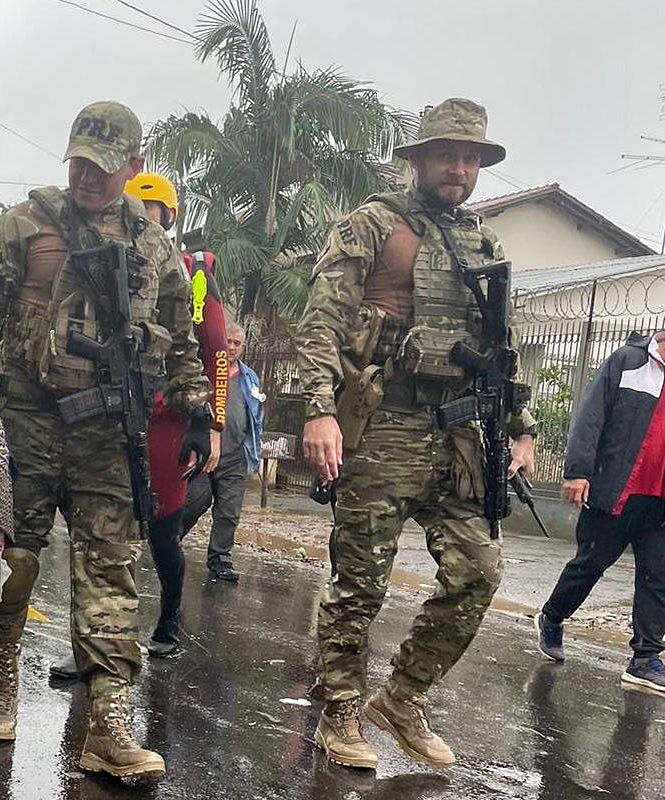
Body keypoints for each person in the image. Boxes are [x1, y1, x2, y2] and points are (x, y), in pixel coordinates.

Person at [0, 102, 212, 779]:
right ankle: (1, 683)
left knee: (110, 571)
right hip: (28, 420)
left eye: (102, 167)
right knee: (16, 561)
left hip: (107, 430)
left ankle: (107, 724)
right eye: (78, 163)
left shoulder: (155, 247)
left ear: (133, 165)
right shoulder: (24, 223)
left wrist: (199, 413)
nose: (86, 177)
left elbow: (181, 339)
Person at [294, 97, 537, 770]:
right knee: (360, 582)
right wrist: (318, 410)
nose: (458, 168)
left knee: (478, 571)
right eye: (446, 155)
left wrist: (520, 426)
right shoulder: (374, 225)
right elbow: (322, 322)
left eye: (470, 158)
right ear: (420, 160)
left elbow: (503, 343)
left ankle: (402, 697)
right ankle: (341, 709)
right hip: (381, 425)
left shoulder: (484, 242)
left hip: (457, 434)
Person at [48, 172, 230, 679]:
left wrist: (211, 423)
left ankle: (168, 621)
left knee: (163, 529)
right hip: (101, 411)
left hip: (166, 418)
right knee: (96, 531)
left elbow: (214, 350)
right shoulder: (92, 256)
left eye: (152, 211)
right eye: (135, 207)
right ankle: (93, 642)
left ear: (168, 217)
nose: (141, 217)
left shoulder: (190, 274)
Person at [534, 332, 665, 695]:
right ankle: (552, 617)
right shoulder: (628, 362)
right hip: (616, 490)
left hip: (660, 501)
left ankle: (645, 659)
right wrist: (578, 471)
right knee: (590, 564)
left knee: (658, 577)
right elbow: (591, 417)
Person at [180, 320, 262, 582]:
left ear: (243, 347)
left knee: (229, 511)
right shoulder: (206, 372)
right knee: (195, 501)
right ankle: (169, 539)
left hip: (235, 454)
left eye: (237, 343)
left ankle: (220, 558)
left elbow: (255, 416)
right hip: (205, 452)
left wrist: (253, 449)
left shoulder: (249, 378)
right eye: (228, 341)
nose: (232, 347)